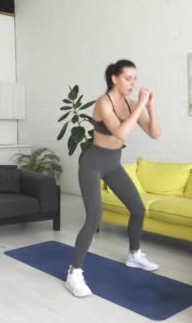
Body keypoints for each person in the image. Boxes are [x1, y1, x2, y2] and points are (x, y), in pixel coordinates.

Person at [65, 59, 161, 297]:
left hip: (113, 164)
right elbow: (121, 132)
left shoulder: (131, 105)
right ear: (114, 78)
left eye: (135, 79)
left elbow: (154, 133)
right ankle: (74, 273)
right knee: (94, 218)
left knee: (138, 208)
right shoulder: (102, 103)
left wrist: (150, 107)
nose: (132, 83)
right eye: (128, 78)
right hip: (93, 164)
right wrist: (139, 104)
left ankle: (134, 255)